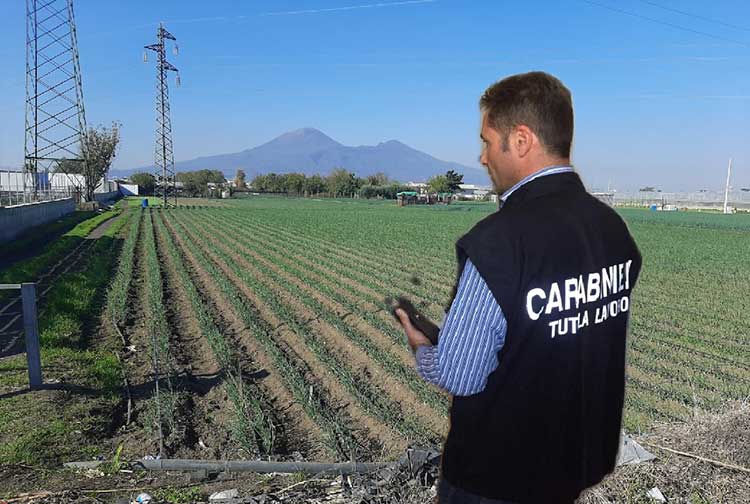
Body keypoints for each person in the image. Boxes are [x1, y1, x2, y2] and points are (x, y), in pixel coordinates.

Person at [396, 71, 642, 504]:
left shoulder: (500, 241)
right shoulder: (612, 228)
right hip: (575, 464)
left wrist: (422, 346)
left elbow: (459, 374)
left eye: (488, 141)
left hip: (497, 478)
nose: (483, 157)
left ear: (522, 140)